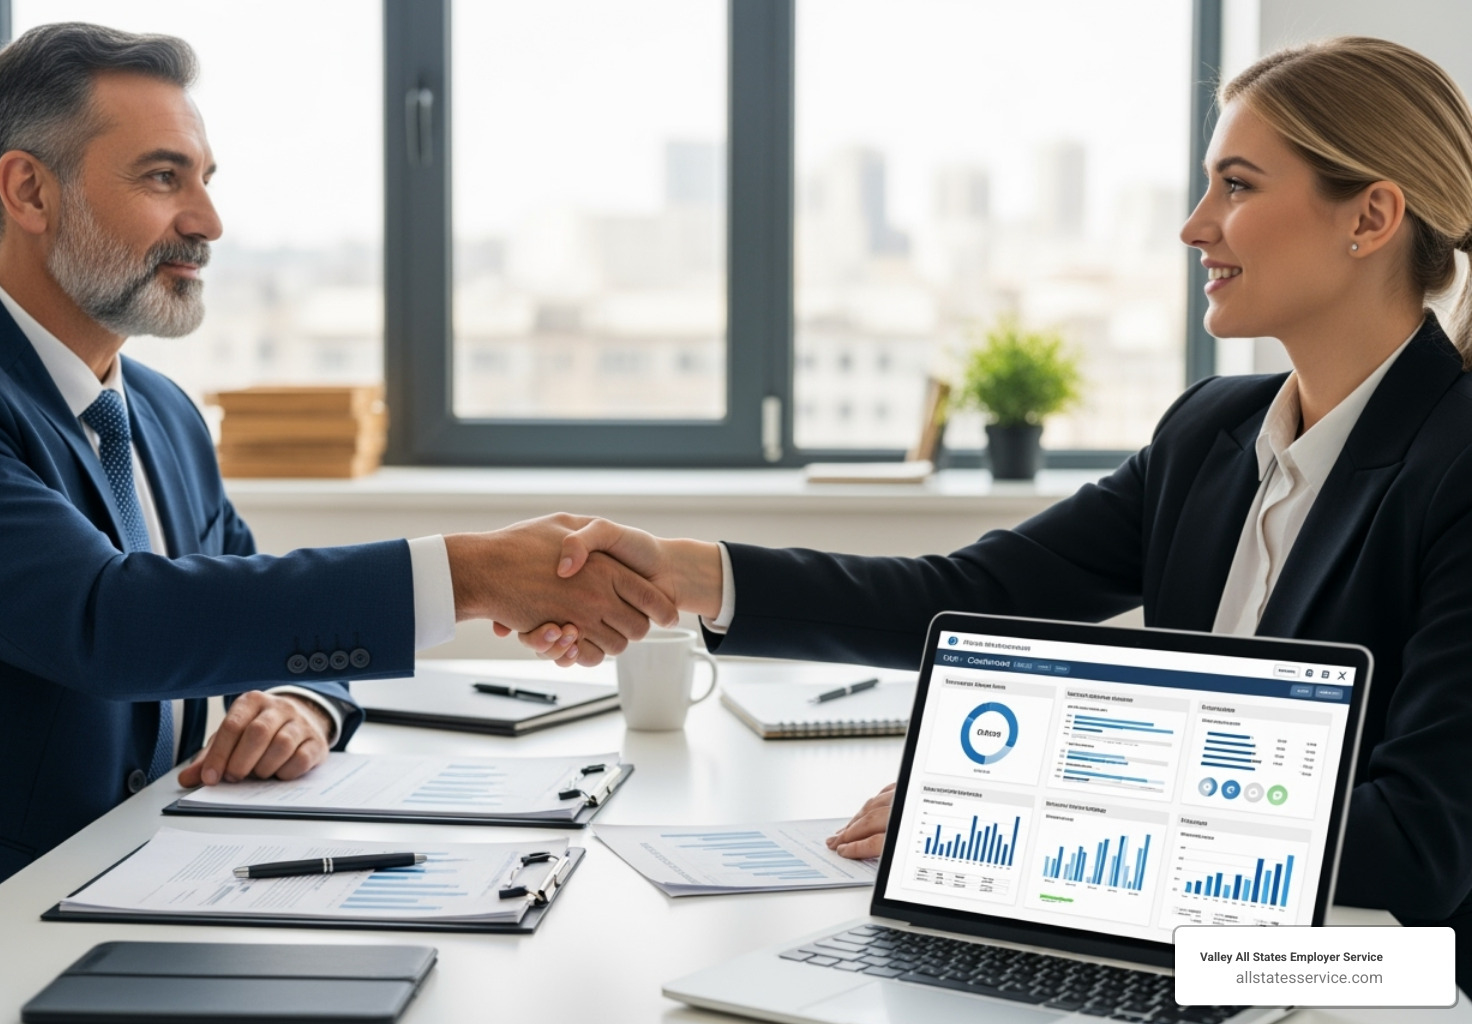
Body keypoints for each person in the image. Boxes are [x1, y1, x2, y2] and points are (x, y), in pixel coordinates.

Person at [526, 37, 1472, 987]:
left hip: (1370, 974)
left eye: (1236, 186)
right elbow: (973, 593)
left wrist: (1005, 817)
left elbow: (1417, 845)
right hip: (1175, 946)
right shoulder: (1209, 433)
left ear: (1371, 217)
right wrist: (689, 575)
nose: (1195, 227)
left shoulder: (1457, 465)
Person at [0, 22, 677, 922]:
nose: (207, 222)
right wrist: (469, 574)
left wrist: (300, 702)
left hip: (162, 877)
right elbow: (110, 620)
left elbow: (253, 608)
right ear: (29, 190)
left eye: (206, 181)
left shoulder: (162, 413)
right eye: (164, 178)